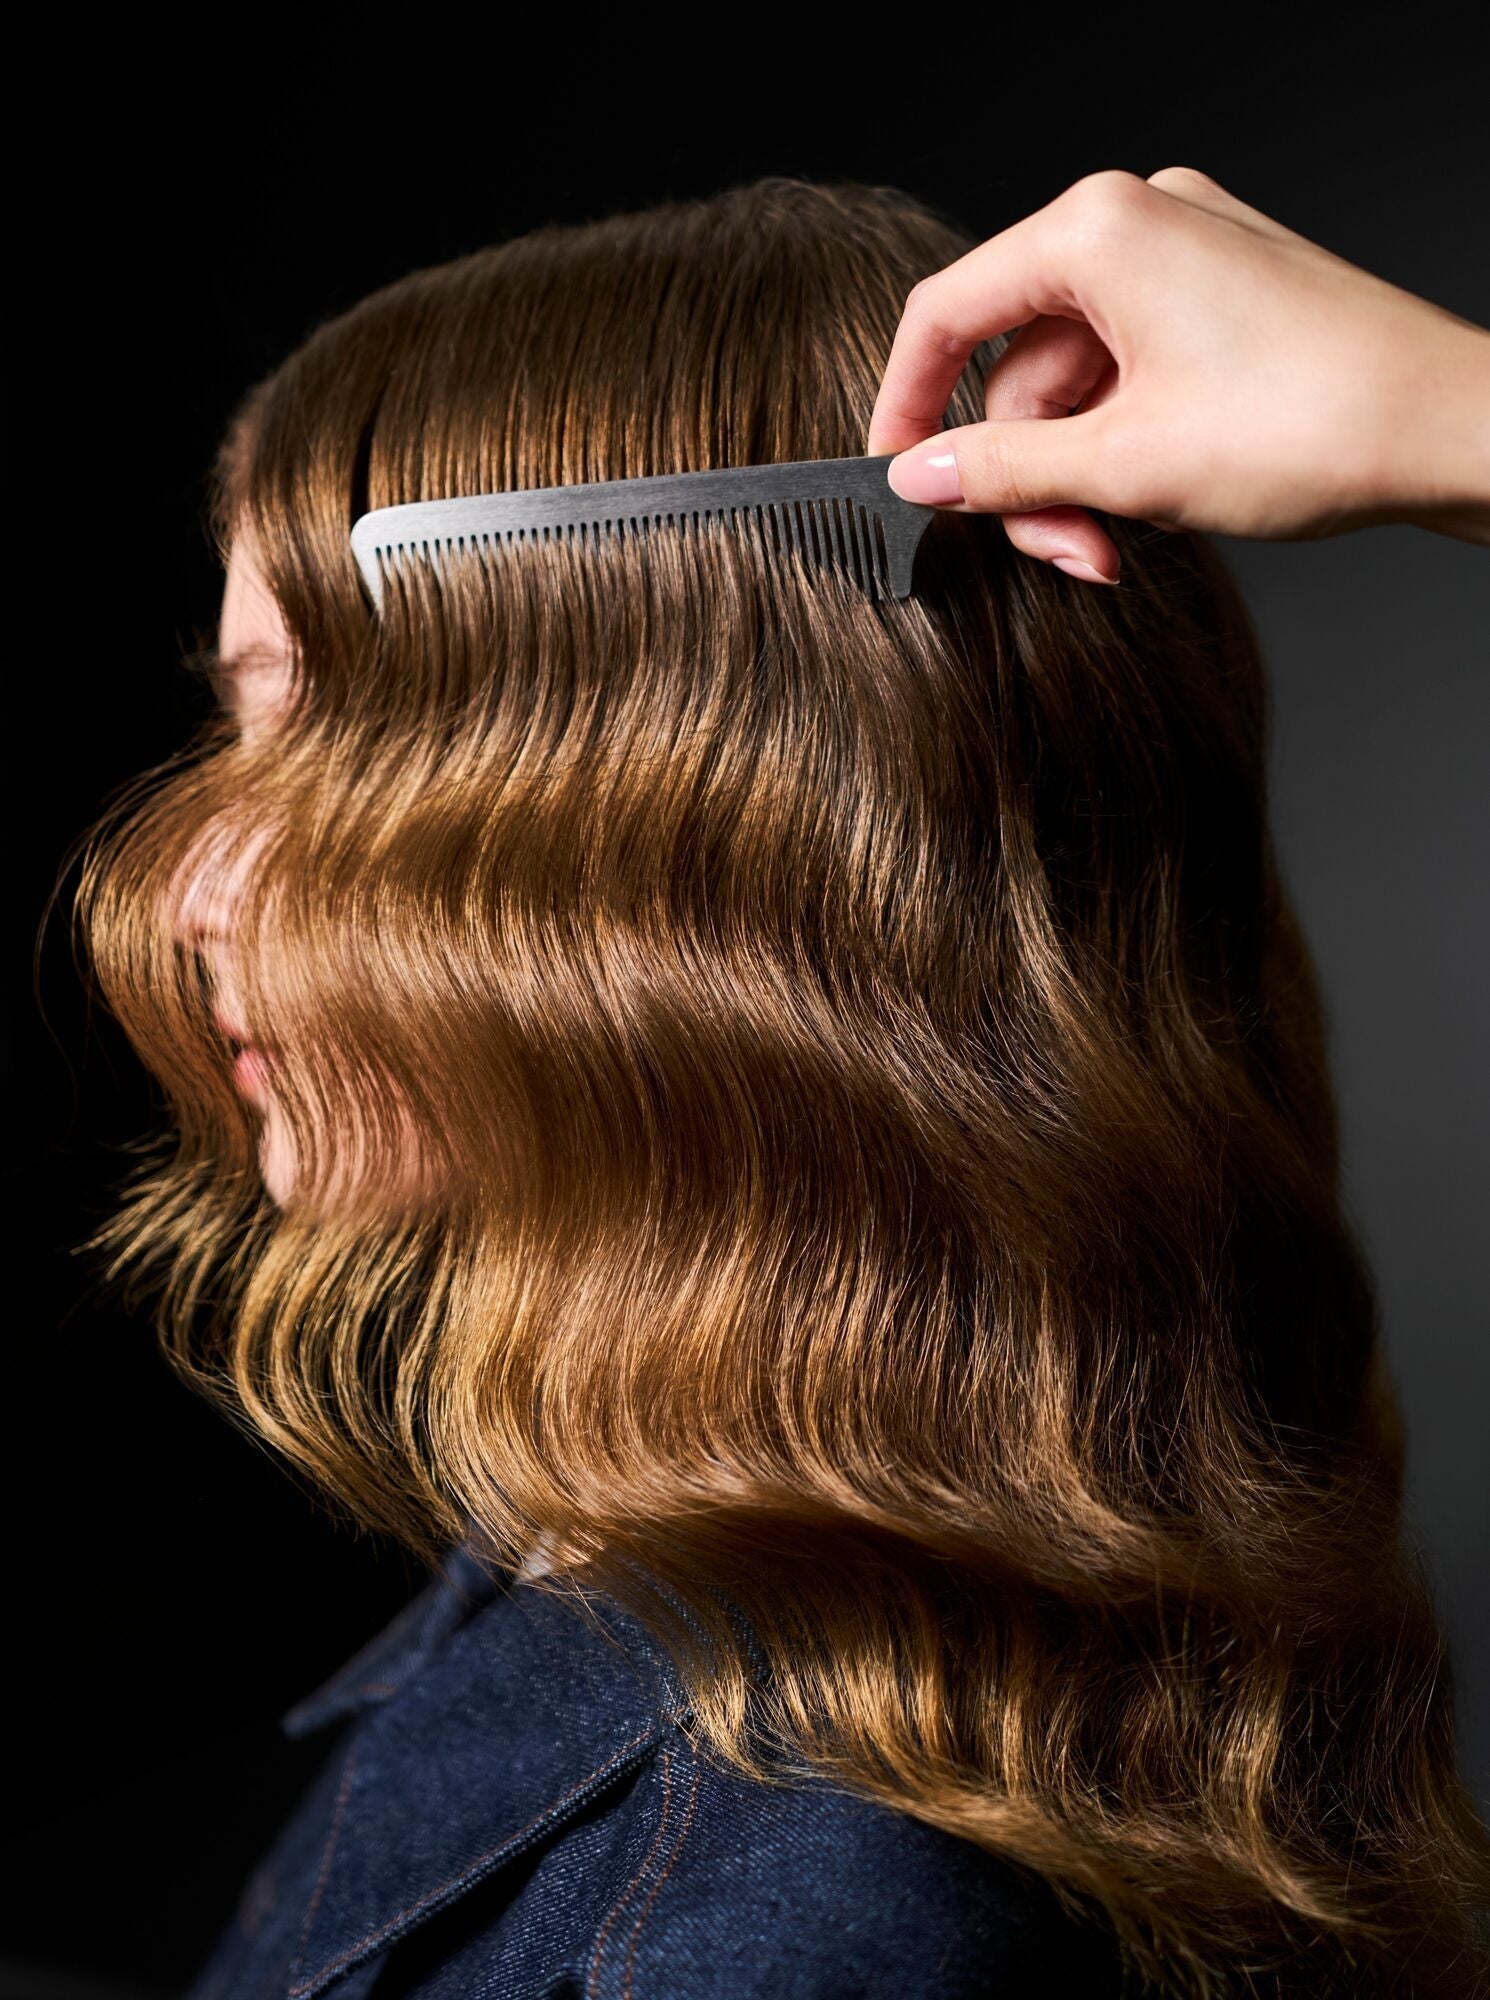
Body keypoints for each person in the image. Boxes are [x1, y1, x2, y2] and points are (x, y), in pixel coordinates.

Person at [71, 171, 1489, 1999]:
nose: (194, 889)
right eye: (235, 727)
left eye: (334, 745)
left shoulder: (786, 1931)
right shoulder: (641, 1550)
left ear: (722, 849)